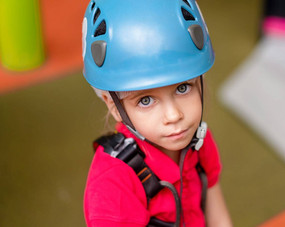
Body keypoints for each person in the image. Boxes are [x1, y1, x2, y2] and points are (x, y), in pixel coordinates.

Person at [82, 0, 233, 226]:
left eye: (183, 88)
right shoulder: (112, 184)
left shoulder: (199, 143)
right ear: (114, 107)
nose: (173, 116)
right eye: (146, 100)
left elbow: (218, 217)